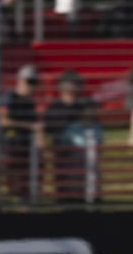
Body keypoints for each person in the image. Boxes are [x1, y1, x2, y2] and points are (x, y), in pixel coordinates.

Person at [43, 70, 101, 203]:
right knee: (65, 194)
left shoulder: (86, 106)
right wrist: (47, 151)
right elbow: (46, 131)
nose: (73, 87)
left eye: (76, 84)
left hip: (83, 158)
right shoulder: (54, 108)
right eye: (69, 84)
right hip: (62, 158)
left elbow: (95, 128)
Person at [0, 64, 43, 201]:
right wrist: (30, 126)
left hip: (26, 150)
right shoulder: (10, 97)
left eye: (34, 82)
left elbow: (36, 126)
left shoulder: (30, 102)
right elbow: (3, 121)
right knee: (16, 187)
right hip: (12, 148)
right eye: (30, 81)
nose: (32, 85)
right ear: (20, 80)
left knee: (28, 187)